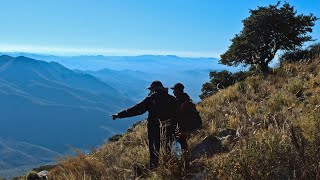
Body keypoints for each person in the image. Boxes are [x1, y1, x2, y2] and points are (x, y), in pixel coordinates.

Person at [112, 80, 178, 169]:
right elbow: (178, 114)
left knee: (154, 151)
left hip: (154, 129)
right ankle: (170, 168)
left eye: (151, 89)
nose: (150, 91)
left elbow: (137, 109)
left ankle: (154, 170)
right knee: (168, 149)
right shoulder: (171, 98)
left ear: (154, 89)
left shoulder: (151, 98)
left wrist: (119, 115)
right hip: (170, 128)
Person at [170, 83, 191, 151]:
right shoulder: (185, 98)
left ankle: (183, 157)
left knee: (180, 141)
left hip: (180, 125)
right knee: (182, 140)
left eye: (174, 90)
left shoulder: (179, 101)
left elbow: (176, 114)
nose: (173, 92)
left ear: (178, 90)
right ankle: (185, 153)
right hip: (185, 124)